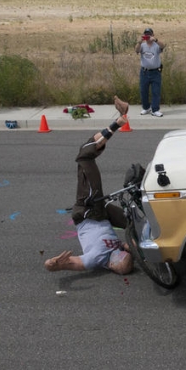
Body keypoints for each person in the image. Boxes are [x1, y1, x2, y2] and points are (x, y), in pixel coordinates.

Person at [44, 96, 133, 275]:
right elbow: (128, 248)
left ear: (113, 266)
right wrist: (128, 247)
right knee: (136, 223)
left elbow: (69, 264)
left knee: (84, 157)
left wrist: (53, 264)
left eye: (119, 261)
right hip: (104, 214)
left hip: (88, 211)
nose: (121, 256)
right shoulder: (120, 249)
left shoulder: (95, 260)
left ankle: (119, 121)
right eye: (124, 256)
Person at [135, 28, 166, 117]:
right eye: (146, 35)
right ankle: (146, 108)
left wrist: (155, 40)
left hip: (155, 72)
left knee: (156, 91)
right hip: (144, 72)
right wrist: (139, 42)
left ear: (152, 35)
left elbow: (163, 46)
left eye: (149, 35)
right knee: (143, 91)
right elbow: (137, 50)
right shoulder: (143, 46)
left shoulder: (156, 45)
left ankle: (155, 109)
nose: (147, 37)